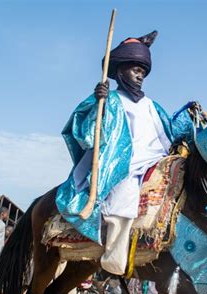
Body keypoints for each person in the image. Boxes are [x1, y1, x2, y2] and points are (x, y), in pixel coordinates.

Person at [56, 31, 197, 275]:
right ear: (120, 71)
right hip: (122, 163)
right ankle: (113, 261)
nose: (140, 74)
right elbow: (86, 133)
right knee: (124, 195)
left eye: (143, 70)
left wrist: (189, 115)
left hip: (155, 161)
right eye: (135, 69)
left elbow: (170, 131)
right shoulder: (110, 99)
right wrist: (95, 106)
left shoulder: (152, 105)